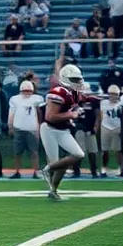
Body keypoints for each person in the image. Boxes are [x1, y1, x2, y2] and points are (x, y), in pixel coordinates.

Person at [38, 64, 88, 201]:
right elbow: (50, 117)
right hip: (50, 129)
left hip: (63, 130)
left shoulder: (73, 93)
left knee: (78, 154)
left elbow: (82, 101)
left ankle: (49, 172)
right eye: (75, 79)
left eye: (79, 79)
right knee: (57, 163)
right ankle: (52, 188)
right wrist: (71, 115)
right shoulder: (58, 92)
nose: (78, 82)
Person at [7, 79, 43, 179]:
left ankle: (36, 171)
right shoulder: (15, 99)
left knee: (34, 152)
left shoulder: (37, 99)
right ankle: (17, 171)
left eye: (29, 91)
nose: (27, 93)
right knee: (17, 152)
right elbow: (12, 113)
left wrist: (39, 126)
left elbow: (40, 113)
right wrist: (10, 126)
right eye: (25, 91)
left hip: (32, 128)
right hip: (19, 128)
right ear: (21, 90)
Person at [99, 85, 123, 177]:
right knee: (105, 150)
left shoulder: (121, 103)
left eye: (115, 94)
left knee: (118, 150)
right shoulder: (104, 103)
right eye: (111, 94)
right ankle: (104, 169)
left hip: (117, 127)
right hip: (106, 126)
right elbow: (101, 115)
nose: (112, 96)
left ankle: (121, 169)